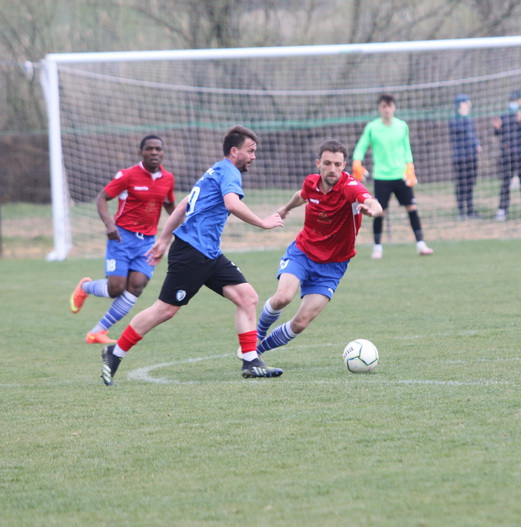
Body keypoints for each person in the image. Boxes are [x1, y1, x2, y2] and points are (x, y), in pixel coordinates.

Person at [99, 126, 286, 385]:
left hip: (207, 252)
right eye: (250, 151)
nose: (253, 156)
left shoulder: (216, 170)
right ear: (234, 151)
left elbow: (185, 203)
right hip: (192, 253)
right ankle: (115, 352)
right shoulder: (229, 172)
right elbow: (232, 203)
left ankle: (251, 361)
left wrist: (164, 238)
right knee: (165, 310)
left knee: (247, 297)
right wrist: (263, 222)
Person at [252, 140, 382, 357]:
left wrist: (372, 211)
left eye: (337, 164)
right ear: (318, 163)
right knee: (283, 297)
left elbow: (374, 203)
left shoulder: (350, 188)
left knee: (300, 323)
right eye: (327, 163)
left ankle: (256, 353)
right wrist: (285, 209)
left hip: (333, 266)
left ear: (344, 166)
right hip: (303, 252)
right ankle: (256, 336)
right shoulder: (311, 183)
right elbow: (301, 195)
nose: (332, 169)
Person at [69, 135, 176, 344]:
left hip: (147, 242)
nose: (154, 152)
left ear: (163, 153)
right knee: (115, 288)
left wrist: (184, 224)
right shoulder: (128, 175)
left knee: (137, 285)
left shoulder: (168, 178)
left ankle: (97, 332)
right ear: (141, 152)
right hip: (122, 238)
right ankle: (85, 287)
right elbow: (102, 198)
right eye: (149, 149)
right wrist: (109, 225)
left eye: (158, 149)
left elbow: (170, 205)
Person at [352, 94, 434, 259]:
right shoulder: (372, 127)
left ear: (394, 107)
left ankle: (421, 244)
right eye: (384, 106)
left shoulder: (402, 126)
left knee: (411, 208)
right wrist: (357, 161)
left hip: (400, 175)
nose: (387, 109)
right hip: (382, 177)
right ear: (379, 108)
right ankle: (377, 247)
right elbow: (361, 146)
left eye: (389, 106)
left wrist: (409, 166)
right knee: (379, 211)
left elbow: (406, 148)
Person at [492, 90, 521, 220]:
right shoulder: (504, 115)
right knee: (505, 183)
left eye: (517, 100)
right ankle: (502, 210)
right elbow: (499, 134)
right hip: (508, 155)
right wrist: (496, 128)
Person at [448, 93, 482, 219]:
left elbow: (472, 134)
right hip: (460, 158)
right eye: (467, 102)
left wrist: (477, 144)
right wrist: (464, 116)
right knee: (461, 184)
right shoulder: (454, 119)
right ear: (461, 104)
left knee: (470, 183)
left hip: (471, 156)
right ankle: (461, 211)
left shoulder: (469, 118)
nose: (469, 105)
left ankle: (470, 209)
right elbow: (463, 132)